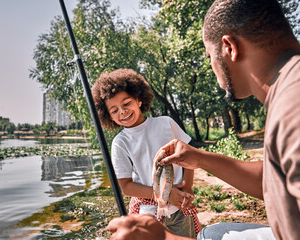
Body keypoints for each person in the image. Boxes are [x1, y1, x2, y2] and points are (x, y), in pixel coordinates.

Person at [107, 0, 300, 239]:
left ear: (229, 47)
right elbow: (274, 180)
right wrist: (199, 158)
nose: (211, 66)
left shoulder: (293, 103)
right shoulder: (288, 88)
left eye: (209, 55)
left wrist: (165, 238)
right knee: (212, 233)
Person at [92, 68, 201, 237]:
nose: (122, 112)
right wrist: (164, 195)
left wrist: (187, 186)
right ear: (109, 116)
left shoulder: (166, 123)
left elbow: (189, 158)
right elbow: (126, 186)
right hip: (147, 213)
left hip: (180, 208)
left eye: (126, 103)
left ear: (139, 100)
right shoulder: (120, 143)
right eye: (114, 110)